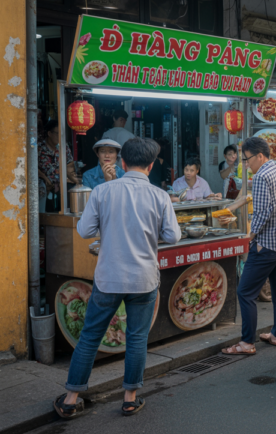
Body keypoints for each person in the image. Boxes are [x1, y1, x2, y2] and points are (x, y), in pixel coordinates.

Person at [53, 138, 181, 419]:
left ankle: (71, 398)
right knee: (137, 339)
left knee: (89, 336)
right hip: (144, 279)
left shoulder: (102, 191)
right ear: (150, 166)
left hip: (109, 277)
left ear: (122, 163)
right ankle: (130, 399)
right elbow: (173, 236)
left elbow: (85, 231)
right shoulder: (159, 196)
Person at [220, 137, 276, 354]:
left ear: (260, 156)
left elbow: (263, 212)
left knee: (245, 292)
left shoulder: (262, 175)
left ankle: (246, 342)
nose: (246, 164)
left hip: (268, 243)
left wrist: (251, 236)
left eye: (247, 159)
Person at [39, 120, 77, 212]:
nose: (60, 136)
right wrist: (45, 178)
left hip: (61, 187)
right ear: (49, 133)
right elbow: (32, 167)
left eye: (62, 133)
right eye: (57, 133)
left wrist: (74, 180)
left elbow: (70, 164)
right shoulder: (39, 147)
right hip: (44, 188)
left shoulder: (64, 147)